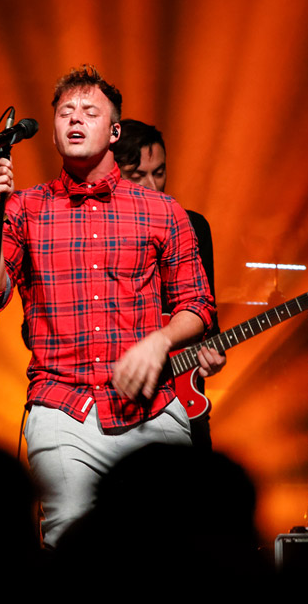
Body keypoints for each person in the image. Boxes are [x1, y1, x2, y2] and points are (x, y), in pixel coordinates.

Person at [0, 64, 225, 546]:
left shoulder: (163, 211)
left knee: (178, 545)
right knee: (73, 542)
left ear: (114, 130)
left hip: (152, 409)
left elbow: (198, 305)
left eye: (89, 110)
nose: (76, 119)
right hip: (63, 407)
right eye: (66, 112)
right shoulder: (25, 208)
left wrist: (160, 342)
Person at [112, 119, 222, 450]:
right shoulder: (94, 233)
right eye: (138, 175)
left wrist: (213, 355)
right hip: (112, 406)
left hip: (181, 399)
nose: (153, 185)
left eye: (159, 172)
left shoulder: (191, 226)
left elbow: (208, 323)